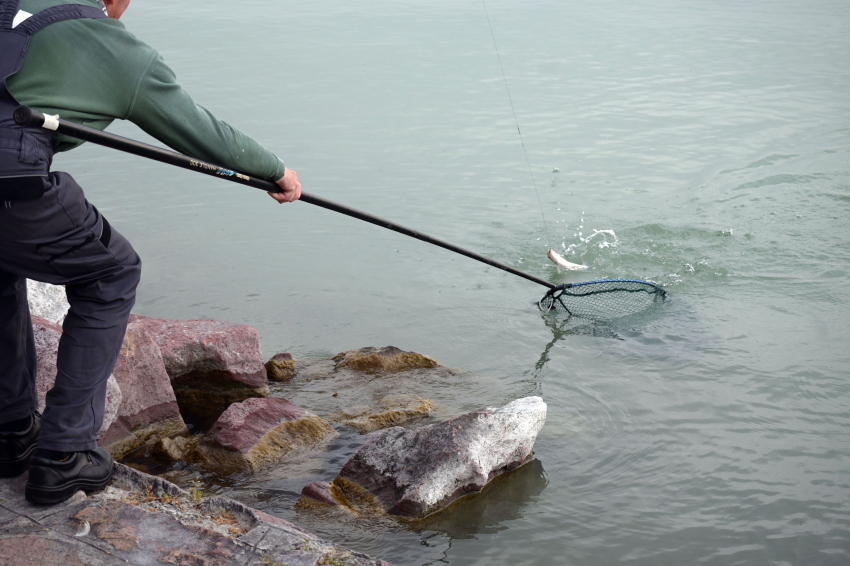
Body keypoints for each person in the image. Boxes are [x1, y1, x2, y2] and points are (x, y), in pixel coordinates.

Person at [0, 0, 300, 504]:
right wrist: (277, 171)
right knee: (110, 275)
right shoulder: (113, 46)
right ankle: (63, 455)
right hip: (14, 181)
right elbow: (202, 133)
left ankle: (10, 434)